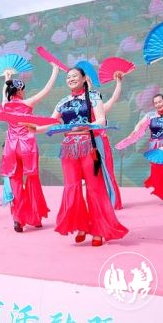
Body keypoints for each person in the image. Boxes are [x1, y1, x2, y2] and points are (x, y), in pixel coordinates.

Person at [42, 67, 128, 246]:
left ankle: (98, 230)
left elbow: (101, 120)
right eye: (68, 77)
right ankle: (81, 225)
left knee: (95, 188)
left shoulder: (94, 97)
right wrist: (32, 127)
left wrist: (85, 126)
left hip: (88, 145)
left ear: (83, 79)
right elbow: (50, 122)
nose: (71, 79)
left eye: (75, 76)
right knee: (72, 187)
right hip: (68, 149)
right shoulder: (63, 102)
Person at [1, 64, 58, 232]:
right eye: (23, 90)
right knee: (32, 180)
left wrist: (7, 79)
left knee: (15, 182)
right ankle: (35, 217)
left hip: (11, 147)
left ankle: (18, 219)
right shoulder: (27, 103)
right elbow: (46, 90)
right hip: (27, 146)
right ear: (19, 91)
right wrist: (55, 71)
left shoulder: (5, 105)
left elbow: (4, 93)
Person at [124, 94, 163, 205]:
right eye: (155, 103)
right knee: (159, 172)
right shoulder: (150, 115)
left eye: (160, 102)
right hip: (154, 147)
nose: (158, 104)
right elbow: (140, 124)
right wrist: (135, 131)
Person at [100, 72, 125, 209]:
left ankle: (112, 200)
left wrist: (119, 83)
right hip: (87, 144)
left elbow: (114, 97)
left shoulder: (101, 109)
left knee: (107, 171)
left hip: (101, 143)